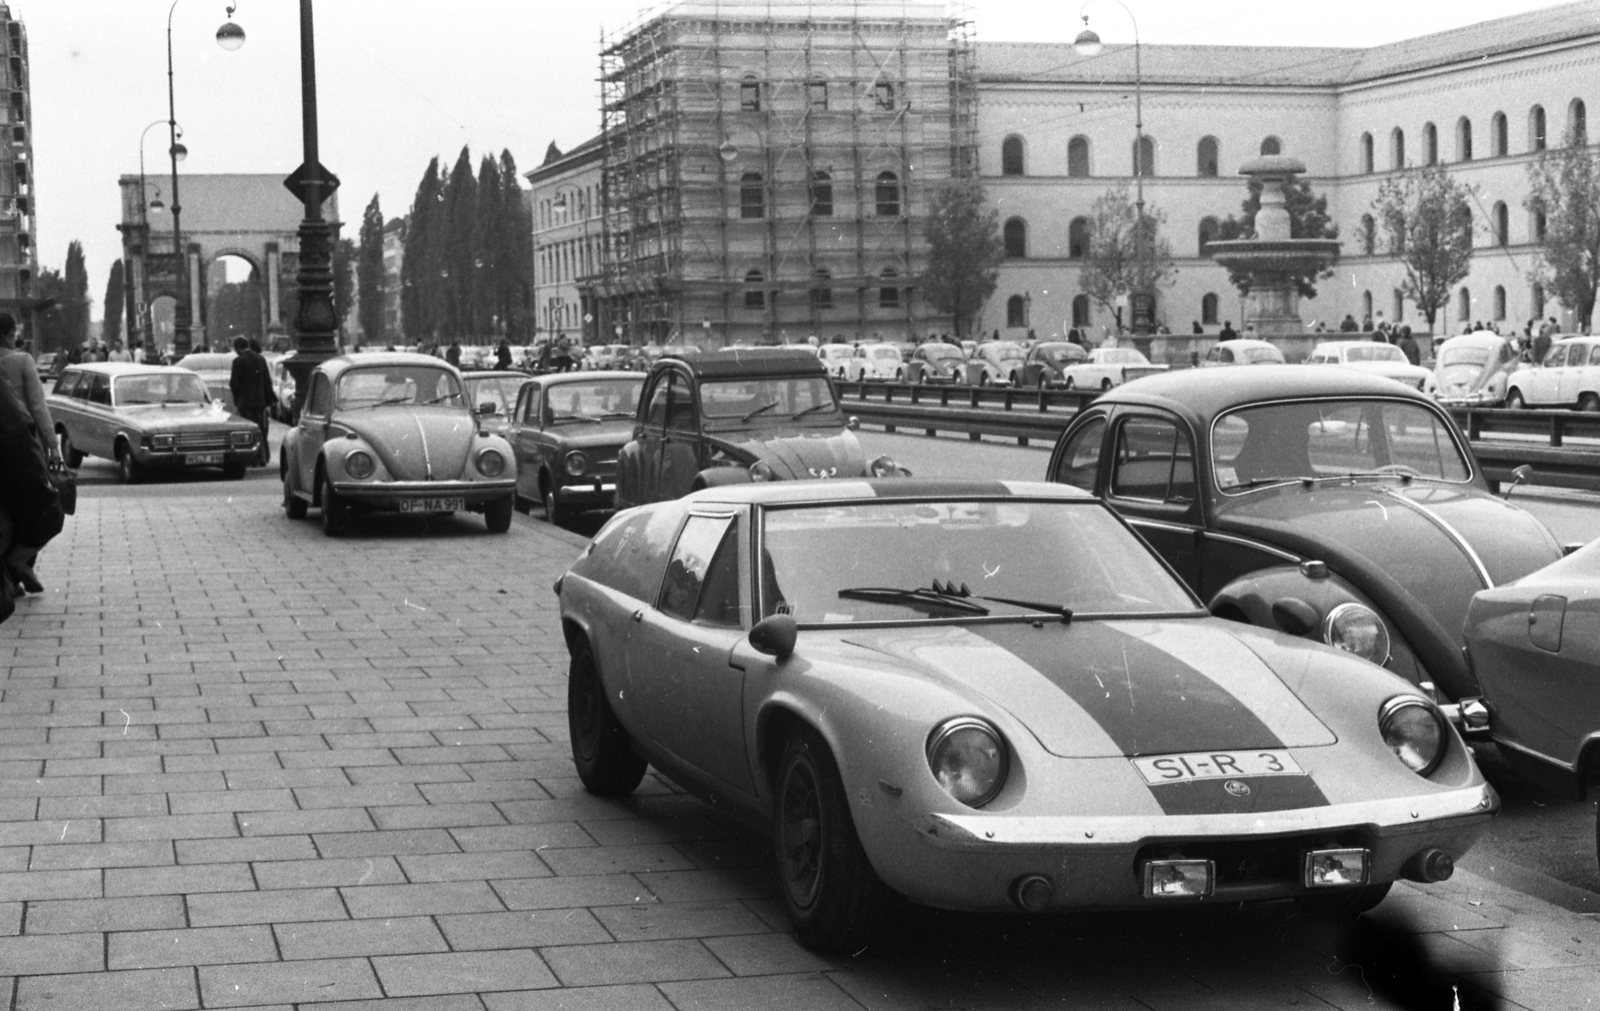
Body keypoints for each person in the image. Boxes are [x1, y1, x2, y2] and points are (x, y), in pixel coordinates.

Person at [0, 313, 62, 596]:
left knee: (9, 516)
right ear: (8, 335)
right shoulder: (22, 360)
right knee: (42, 510)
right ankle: (18, 566)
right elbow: (38, 407)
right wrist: (53, 444)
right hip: (24, 449)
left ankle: (13, 576)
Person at [228, 336, 272, 466]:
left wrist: (237, 400)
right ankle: (263, 457)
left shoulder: (237, 361)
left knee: (248, 431)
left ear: (237, 348)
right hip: (259, 401)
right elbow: (267, 381)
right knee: (261, 429)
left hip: (245, 402)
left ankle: (252, 458)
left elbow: (234, 384)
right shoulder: (261, 359)